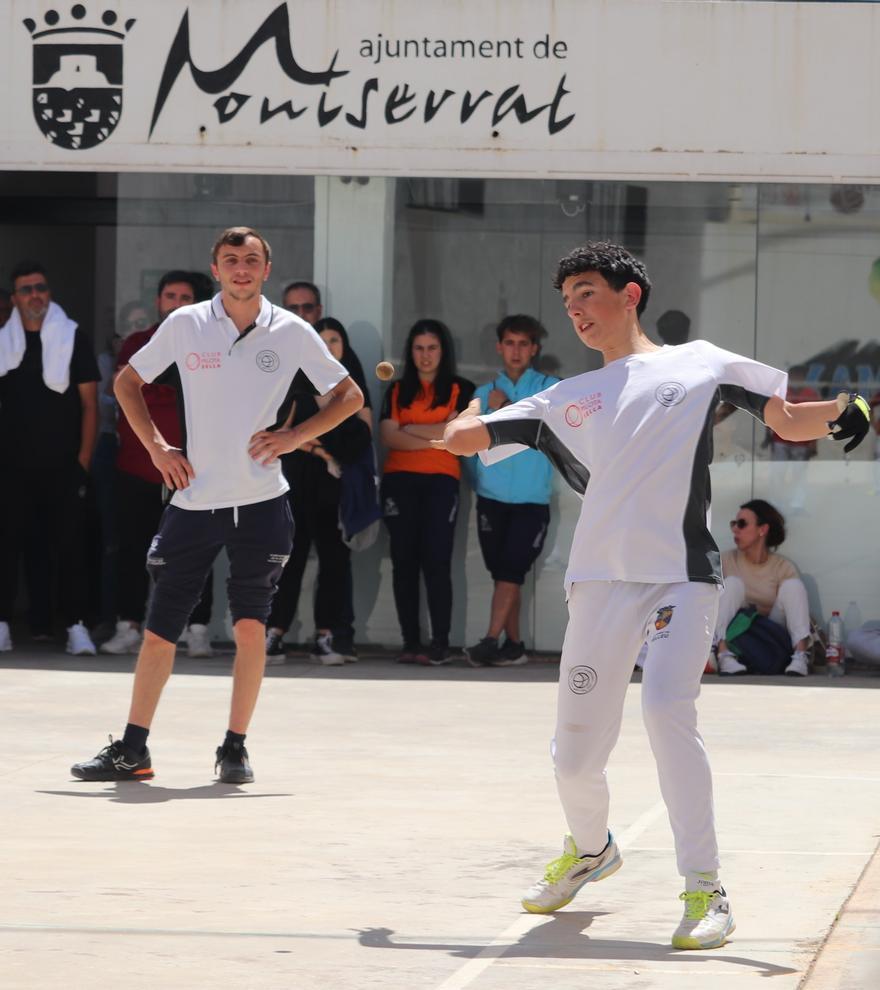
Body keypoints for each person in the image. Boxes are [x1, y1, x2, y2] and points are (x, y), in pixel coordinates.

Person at [437, 242, 870, 949]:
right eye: (568, 300)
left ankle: (706, 889)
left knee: (668, 707)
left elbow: (789, 417)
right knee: (575, 757)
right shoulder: (565, 398)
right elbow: (471, 436)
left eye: (586, 293)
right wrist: (458, 427)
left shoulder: (701, 363)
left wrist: (844, 409)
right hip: (599, 583)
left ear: (629, 294)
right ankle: (590, 850)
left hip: (681, 576)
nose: (575, 310)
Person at [70, 226, 363, 784]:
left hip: (262, 504)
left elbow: (349, 397)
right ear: (217, 268)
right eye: (231, 260)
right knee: (161, 630)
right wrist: (157, 448)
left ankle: (235, 747)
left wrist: (294, 437)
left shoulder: (292, 331)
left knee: (251, 629)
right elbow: (128, 385)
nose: (242, 269)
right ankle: (134, 749)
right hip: (193, 502)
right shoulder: (186, 324)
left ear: (265, 270)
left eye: (251, 260)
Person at [100, 271, 217, 659]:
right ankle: (128, 625)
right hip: (137, 466)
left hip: (193, 472)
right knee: (133, 549)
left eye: (186, 297)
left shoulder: (211, 345)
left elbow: (202, 397)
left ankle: (196, 629)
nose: (176, 303)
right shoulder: (137, 343)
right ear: (158, 301)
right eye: (170, 296)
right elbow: (124, 390)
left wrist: (153, 388)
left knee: (195, 553)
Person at [0, 261, 99, 655]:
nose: (34, 296)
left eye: (40, 288)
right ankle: (3, 623)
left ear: (49, 293)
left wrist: (83, 463)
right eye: (26, 290)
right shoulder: (2, 342)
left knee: (71, 547)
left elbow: (91, 405)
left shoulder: (74, 338)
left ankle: (76, 626)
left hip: (63, 466)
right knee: (6, 546)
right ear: (15, 299)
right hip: (10, 468)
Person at [265, 317, 374, 664]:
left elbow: (359, 440)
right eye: (322, 341)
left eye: (335, 341)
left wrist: (317, 432)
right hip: (294, 487)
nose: (329, 348)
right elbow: (278, 435)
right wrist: (318, 448)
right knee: (287, 561)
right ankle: (275, 634)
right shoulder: (294, 386)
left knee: (334, 562)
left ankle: (327, 636)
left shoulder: (354, 392)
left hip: (335, 491)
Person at [464, 314, 560, 667]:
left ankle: (490, 640)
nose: (516, 351)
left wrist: (503, 409)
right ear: (499, 347)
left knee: (509, 573)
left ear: (534, 349)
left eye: (524, 344)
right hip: (491, 499)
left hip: (532, 502)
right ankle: (515, 645)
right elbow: (469, 442)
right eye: (510, 343)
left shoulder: (552, 388)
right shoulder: (482, 393)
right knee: (507, 575)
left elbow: (545, 432)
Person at [380, 319, 474, 665]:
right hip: (399, 481)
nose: (425, 355)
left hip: (441, 482)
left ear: (443, 350)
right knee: (404, 564)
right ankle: (410, 642)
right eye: (419, 348)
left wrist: (412, 428)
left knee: (436, 563)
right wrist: (438, 433)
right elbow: (389, 437)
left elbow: (459, 434)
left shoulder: (461, 388)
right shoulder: (396, 391)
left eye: (432, 347)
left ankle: (440, 644)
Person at [714, 499, 812, 677]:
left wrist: (752, 609)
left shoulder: (782, 567)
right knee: (732, 584)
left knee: (793, 586)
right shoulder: (724, 561)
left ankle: (800, 655)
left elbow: (790, 605)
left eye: (742, 524)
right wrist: (757, 608)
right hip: (734, 629)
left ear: (762, 530)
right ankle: (723, 654)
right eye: (733, 523)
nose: (735, 529)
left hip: (768, 630)